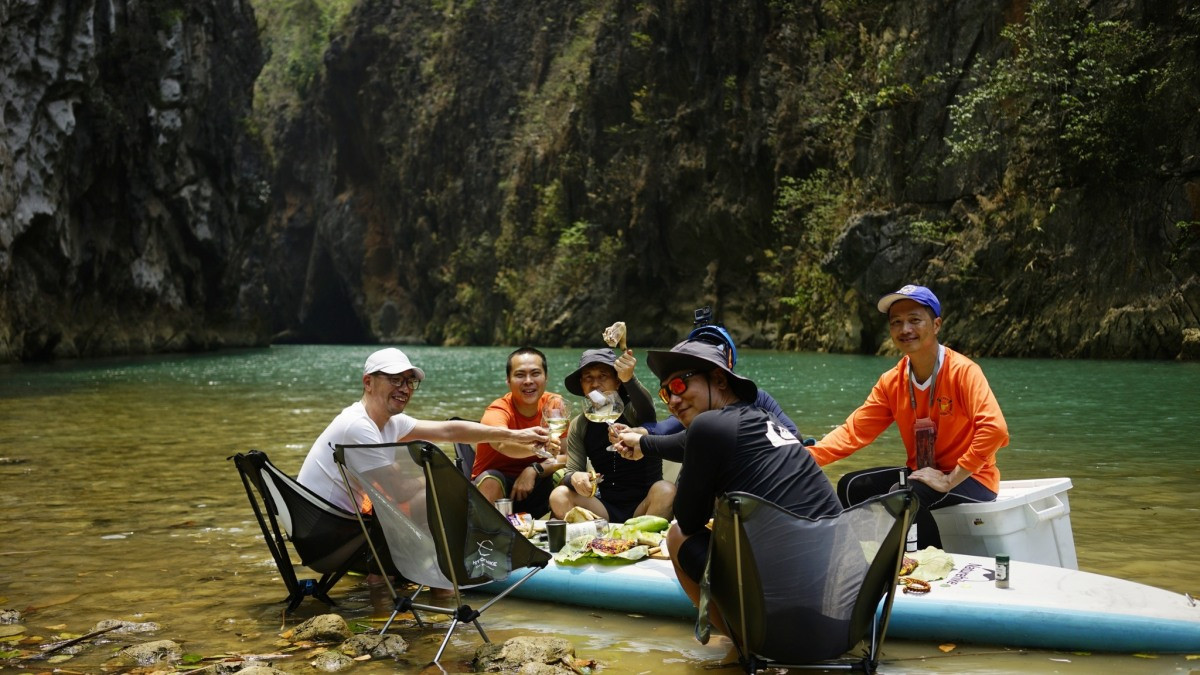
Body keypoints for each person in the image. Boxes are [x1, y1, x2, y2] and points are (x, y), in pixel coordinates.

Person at [628, 338, 842, 637]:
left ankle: (740, 641)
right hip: (844, 606)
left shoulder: (708, 427)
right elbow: (681, 443)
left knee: (677, 535)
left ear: (718, 380)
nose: (673, 400)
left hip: (784, 613)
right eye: (665, 393)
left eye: (679, 385)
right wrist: (642, 443)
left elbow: (689, 519)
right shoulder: (764, 419)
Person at [808, 284, 1009, 549]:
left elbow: (995, 430)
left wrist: (951, 478)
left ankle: (927, 569)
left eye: (915, 320)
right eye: (897, 323)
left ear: (936, 325)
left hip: (972, 478)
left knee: (905, 496)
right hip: (923, 475)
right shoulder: (892, 381)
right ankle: (867, 566)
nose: (905, 330)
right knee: (851, 486)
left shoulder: (963, 371)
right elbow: (854, 432)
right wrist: (803, 458)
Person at [297, 347, 550, 513]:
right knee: (432, 498)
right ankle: (442, 581)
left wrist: (516, 435)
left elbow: (449, 431)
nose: (405, 388)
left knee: (429, 495)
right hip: (326, 530)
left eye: (409, 381)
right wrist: (441, 478)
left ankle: (424, 578)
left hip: (333, 521)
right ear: (368, 382)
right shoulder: (358, 425)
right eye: (395, 380)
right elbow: (398, 492)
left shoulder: (390, 421)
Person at [548, 347, 675, 522]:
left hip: (645, 505)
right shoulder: (580, 424)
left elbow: (648, 414)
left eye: (603, 376)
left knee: (666, 490)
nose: (595, 384)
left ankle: (642, 540)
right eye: (588, 378)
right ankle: (598, 542)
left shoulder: (632, 409)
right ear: (582, 385)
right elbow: (572, 471)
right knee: (559, 495)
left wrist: (629, 379)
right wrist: (575, 478)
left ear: (617, 382)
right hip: (605, 509)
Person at [471, 347, 568, 517]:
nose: (528, 381)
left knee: (567, 476)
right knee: (490, 480)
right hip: (497, 489)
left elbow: (567, 455)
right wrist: (537, 448)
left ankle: (556, 536)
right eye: (520, 375)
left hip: (535, 484)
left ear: (546, 378)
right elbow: (502, 443)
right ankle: (490, 537)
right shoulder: (498, 410)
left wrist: (534, 469)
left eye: (535, 373)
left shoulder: (554, 405)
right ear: (508, 380)